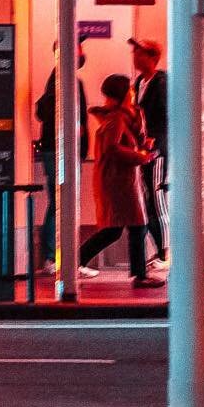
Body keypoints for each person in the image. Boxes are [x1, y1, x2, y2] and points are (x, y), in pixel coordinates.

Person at [77, 73, 163, 289]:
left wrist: (143, 144)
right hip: (118, 182)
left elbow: (126, 142)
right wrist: (141, 157)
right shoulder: (116, 118)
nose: (133, 92)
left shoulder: (123, 116)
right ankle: (139, 275)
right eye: (130, 89)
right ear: (124, 93)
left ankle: (76, 260)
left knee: (120, 229)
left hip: (122, 180)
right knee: (134, 226)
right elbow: (113, 148)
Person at [34, 42, 89, 271]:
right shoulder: (61, 80)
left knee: (61, 202)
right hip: (60, 149)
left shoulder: (69, 79)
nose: (82, 53)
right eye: (77, 47)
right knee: (60, 202)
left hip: (63, 149)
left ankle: (58, 257)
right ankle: (52, 257)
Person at [130, 36, 169, 270]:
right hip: (144, 147)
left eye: (141, 53)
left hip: (157, 149)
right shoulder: (138, 83)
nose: (136, 57)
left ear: (153, 57)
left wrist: (153, 138)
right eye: (135, 53)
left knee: (156, 197)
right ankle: (156, 250)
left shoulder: (161, 82)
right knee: (147, 198)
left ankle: (164, 251)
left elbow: (165, 113)